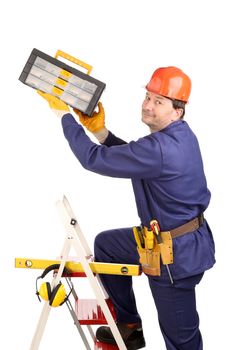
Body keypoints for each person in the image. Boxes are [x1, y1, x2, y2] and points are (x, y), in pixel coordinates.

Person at [38, 66, 215, 350]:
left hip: (174, 257)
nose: (148, 105)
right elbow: (136, 158)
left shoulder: (159, 148)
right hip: (177, 240)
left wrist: (64, 116)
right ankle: (128, 326)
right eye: (147, 96)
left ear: (177, 111)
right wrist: (100, 131)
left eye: (159, 101)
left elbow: (94, 160)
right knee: (107, 245)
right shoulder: (178, 136)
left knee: (182, 341)